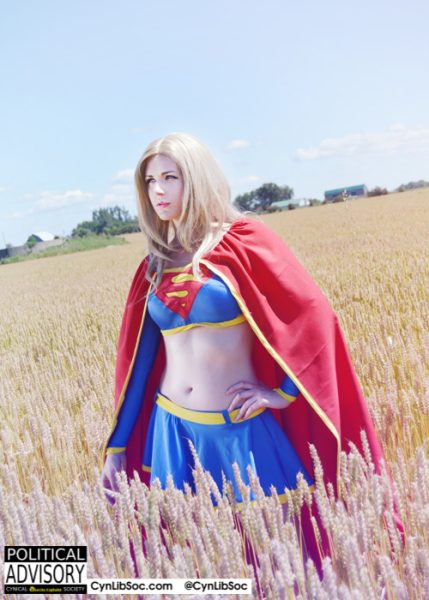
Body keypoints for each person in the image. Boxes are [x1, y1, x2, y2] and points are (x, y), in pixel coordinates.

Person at [100, 132, 390, 567]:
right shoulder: (154, 264)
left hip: (239, 424)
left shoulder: (243, 241)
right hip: (171, 430)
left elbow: (312, 318)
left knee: (280, 553)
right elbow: (137, 365)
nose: (158, 190)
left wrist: (282, 394)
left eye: (170, 177)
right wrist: (117, 447)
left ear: (195, 178)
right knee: (197, 556)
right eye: (150, 181)